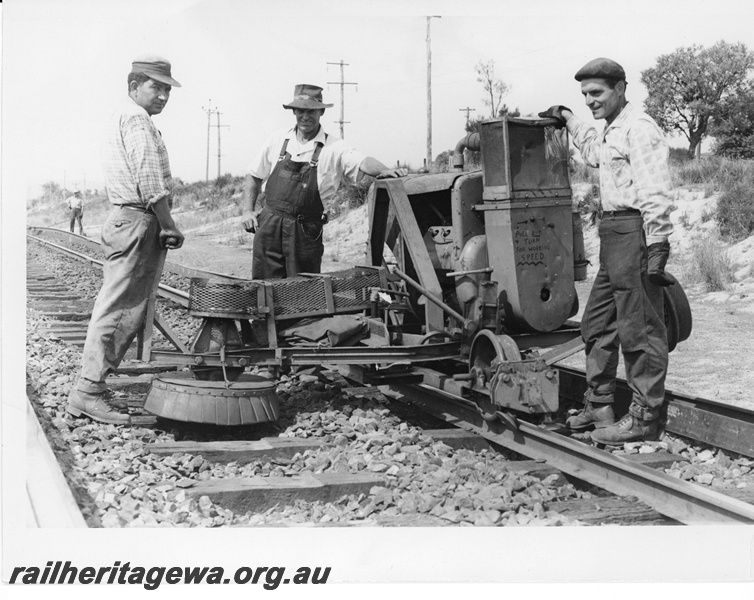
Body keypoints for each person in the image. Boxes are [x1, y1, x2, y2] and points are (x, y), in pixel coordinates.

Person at [539, 57, 675, 444]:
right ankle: (599, 404)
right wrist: (567, 117)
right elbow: (590, 147)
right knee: (597, 324)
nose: (590, 101)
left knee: (640, 329)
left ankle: (646, 419)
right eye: (584, 95)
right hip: (612, 234)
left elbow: (655, 190)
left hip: (635, 232)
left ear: (620, 89)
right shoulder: (611, 130)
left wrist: (659, 242)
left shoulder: (640, 128)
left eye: (596, 93)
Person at [67, 55, 185, 425]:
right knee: (119, 308)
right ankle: (88, 391)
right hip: (138, 219)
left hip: (129, 218)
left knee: (121, 306)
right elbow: (150, 179)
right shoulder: (136, 118)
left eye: (167, 89)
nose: (163, 95)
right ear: (134, 87)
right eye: (156, 87)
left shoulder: (124, 116)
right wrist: (168, 224)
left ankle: (91, 388)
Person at [242, 83, 407, 279]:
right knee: (264, 293)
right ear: (294, 111)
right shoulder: (278, 139)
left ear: (321, 112)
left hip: (304, 232)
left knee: (303, 296)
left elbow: (362, 161)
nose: (306, 116)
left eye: (312, 111)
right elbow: (254, 175)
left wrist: (385, 170)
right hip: (269, 227)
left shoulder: (334, 147)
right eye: (301, 110)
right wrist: (247, 210)